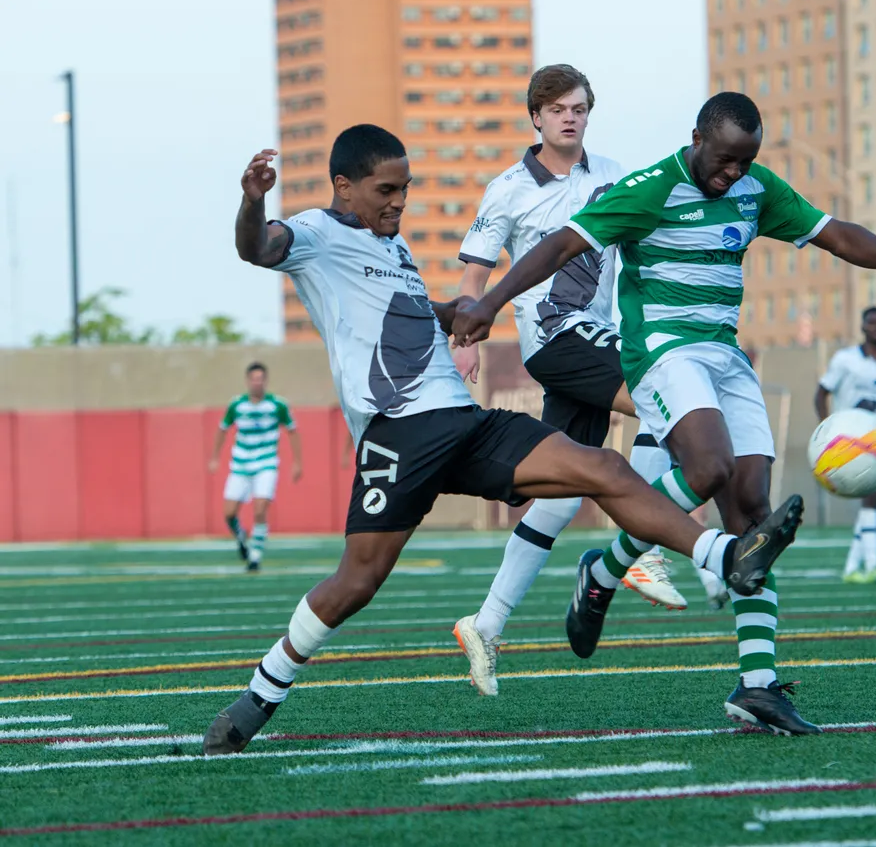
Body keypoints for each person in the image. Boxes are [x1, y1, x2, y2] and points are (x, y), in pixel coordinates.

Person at [202, 124, 804, 755]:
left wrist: (457, 314)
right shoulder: (318, 235)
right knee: (356, 583)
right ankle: (259, 697)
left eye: (404, 190)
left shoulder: (395, 248)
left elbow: (403, 312)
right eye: (386, 190)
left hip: (465, 422)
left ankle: (723, 555)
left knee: (600, 466)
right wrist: (252, 200)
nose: (398, 203)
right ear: (343, 187)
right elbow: (257, 247)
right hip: (399, 435)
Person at [452, 92, 876, 734]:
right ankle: (610, 567)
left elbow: (835, 235)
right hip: (663, 353)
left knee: (752, 513)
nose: (733, 175)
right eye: (723, 161)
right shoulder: (650, 187)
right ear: (697, 138)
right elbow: (558, 247)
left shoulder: (756, 188)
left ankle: (754, 684)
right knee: (709, 465)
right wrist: (491, 301)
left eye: (745, 162)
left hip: (724, 357)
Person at [450, 65, 687, 696]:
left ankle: (486, 624)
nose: (569, 117)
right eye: (556, 108)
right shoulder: (506, 190)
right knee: (663, 397)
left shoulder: (614, 174)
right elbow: (474, 272)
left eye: (579, 107)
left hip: (595, 333)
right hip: (555, 336)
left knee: (558, 494)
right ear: (535, 117)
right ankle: (644, 543)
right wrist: (464, 341)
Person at [814, 306, 876, 583]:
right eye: (872, 323)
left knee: (873, 498)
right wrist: (827, 429)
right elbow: (820, 394)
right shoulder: (845, 360)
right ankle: (871, 563)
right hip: (847, 441)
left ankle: (854, 568)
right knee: (871, 499)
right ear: (863, 327)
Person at [208, 362, 301, 571]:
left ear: (265, 381)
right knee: (229, 513)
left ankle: (255, 555)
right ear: (248, 380)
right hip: (240, 464)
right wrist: (214, 457)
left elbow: (292, 430)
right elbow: (222, 429)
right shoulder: (237, 405)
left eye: (260, 379)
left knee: (260, 508)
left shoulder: (278, 404)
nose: (257, 383)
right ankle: (241, 537)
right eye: (253, 379)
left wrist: (297, 462)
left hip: (266, 463)